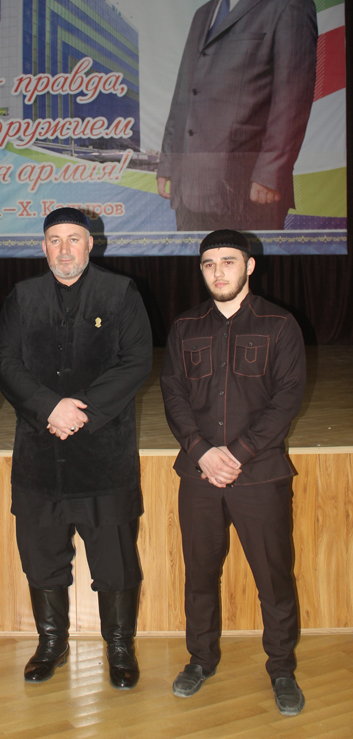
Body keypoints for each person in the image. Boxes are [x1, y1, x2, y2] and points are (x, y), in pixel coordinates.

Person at [0, 208, 152, 689]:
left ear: (90, 244)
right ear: (44, 247)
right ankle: (51, 642)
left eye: (74, 239)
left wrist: (79, 412)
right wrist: (49, 408)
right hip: (40, 457)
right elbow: (4, 361)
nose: (64, 249)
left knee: (115, 561)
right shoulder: (22, 297)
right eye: (55, 240)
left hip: (104, 456)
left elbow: (136, 361)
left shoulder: (120, 293)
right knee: (42, 558)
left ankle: (119, 646)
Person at [160, 229, 306, 716]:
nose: (218, 272)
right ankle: (200, 659)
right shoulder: (185, 326)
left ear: (249, 266)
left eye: (228, 261)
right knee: (200, 575)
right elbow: (173, 395)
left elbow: (287, 398)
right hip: (199, 474)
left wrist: (238, 453)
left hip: (260, 474)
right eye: (208, 264)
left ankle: (281, 668)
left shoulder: (280, 325)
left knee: (273, 577)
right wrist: (201, 451)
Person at [157, 0, 317, 231]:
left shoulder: (290, 5)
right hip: (190, 191)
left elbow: (292, 103)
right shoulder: (203, 14)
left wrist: (271, 173)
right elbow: (184, 94)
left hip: (249, 192)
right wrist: (169, 163)